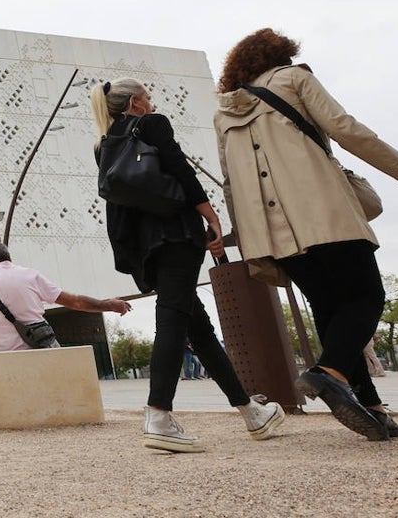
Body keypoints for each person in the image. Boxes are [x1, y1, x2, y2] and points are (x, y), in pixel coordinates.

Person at [214, 28, 398, 441]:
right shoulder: (294, 78)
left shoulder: (223, 112)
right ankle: (328, 371)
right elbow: (346, 128)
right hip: (323, 214)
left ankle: (371, 407)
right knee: (368, 296)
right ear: (280, 54)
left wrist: (248, 238)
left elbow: (229, 183)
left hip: (271, 231)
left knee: (330, 308)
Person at [92, 78, 285, 452]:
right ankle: (159, 415)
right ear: (135, 103)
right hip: (176, 234)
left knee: (198, 329)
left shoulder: (103, 145)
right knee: (172, 320)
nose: (152, 102)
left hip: (143, 247)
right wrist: (210, 216)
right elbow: (181, 170)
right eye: (148, 97)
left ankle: (251, 412)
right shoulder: (153, 124)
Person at [0, 242, 133, 354]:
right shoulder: (31, 275)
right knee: (54, 346)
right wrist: (109, 305)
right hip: (36, 345)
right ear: (8, 258)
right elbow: (75, 301)